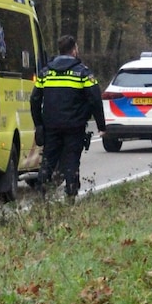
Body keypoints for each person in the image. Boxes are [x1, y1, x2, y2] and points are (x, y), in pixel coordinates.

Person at [30, 35, 106, 198]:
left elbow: (35, 99)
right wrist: (101, 126)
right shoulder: (83, 73)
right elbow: (95, 99)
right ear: (74, 50)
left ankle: (41, 192)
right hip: (74, 126)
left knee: (48, 160)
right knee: (71, 160)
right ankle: (71, 195)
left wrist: (39, 124)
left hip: (51, 126)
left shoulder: (45, 73)